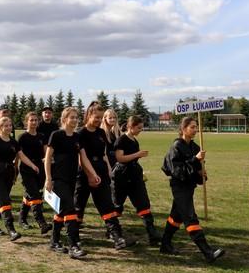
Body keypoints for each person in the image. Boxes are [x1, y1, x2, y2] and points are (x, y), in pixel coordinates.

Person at [160, 117, 224, 263]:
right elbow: (177, 171)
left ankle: (165, 244)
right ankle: (208, 252)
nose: (195, 130)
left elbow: (197, 169)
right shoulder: (176, 146)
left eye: (196, 127)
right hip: (179, 187)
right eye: (192, 127)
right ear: (183, 129)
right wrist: (195, 159)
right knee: (190, 217)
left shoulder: (195, 147)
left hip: (189, 186)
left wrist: (202, 173)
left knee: (176, 216)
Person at [76, 104, 136, 250]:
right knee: (78, 205)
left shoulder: (101, 133)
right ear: (88, 115)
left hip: (101, 171)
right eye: (96, 117)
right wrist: (90, 175)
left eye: (100, 117)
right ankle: (74, 237)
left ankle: (117, 237)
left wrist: (109, 170)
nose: (98, 120)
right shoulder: (81, 133)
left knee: (107, 204)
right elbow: (81, 157)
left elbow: (103, 154)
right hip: (84, 173)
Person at [0, 116, 39, 240]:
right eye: (6, 126)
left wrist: (32, 165)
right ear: (0, 127)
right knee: (5, 200)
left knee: (0, 201)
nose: (9, 128)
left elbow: (22, 156)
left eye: (10, 125)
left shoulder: (13, 142)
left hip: (9, 174)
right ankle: (11, 229)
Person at [113, 115, 161, 246]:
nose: (141, 130)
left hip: (135, 176)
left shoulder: (134, 140)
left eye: (141, 127)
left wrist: (140, 170)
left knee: (143, 203)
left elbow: (133, 160)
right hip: (122, 177)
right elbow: (120, 158)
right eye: (139, 128)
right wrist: (137, 154)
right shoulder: (121, 140)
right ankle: (113, 231)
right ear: (130, 126)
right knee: (117, 205)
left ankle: (152, 234)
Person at [44, 107, 85, 259]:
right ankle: (73, 245)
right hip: (58, 179)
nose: (74, 120)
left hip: (72, 179)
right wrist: (48, 179)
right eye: (71, 117)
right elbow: (48, 158)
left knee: (61, 211)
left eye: (76, 117)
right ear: (64, 119)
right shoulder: (56, 135)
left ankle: (54, 241)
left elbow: (83, 158)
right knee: (70, 209)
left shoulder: (77, 137)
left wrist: (92, 174)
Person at [16, 111, 51, 234]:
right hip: (26, 169)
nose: (34, 122)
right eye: (31, 120)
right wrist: (15, 169)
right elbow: (18, 155)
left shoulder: (42, 136)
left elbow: (46, 152)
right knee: (35, 195)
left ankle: (22, 219)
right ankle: (42, 223)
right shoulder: (22, 137)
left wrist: (47, 159)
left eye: (36, 120)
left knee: (30, 194)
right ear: (26, 122)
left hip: (40, 169)